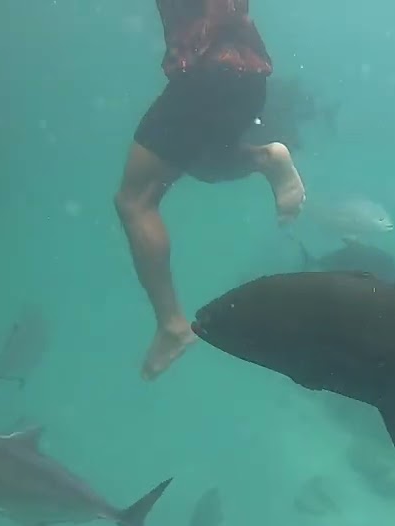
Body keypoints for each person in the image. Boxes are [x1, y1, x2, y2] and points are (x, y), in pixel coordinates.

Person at [115, 0, 306, 381]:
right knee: (205, 166)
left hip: (205, 77)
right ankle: (265, 159)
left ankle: (171, 325)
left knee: (134, 201)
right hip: (249, 79)